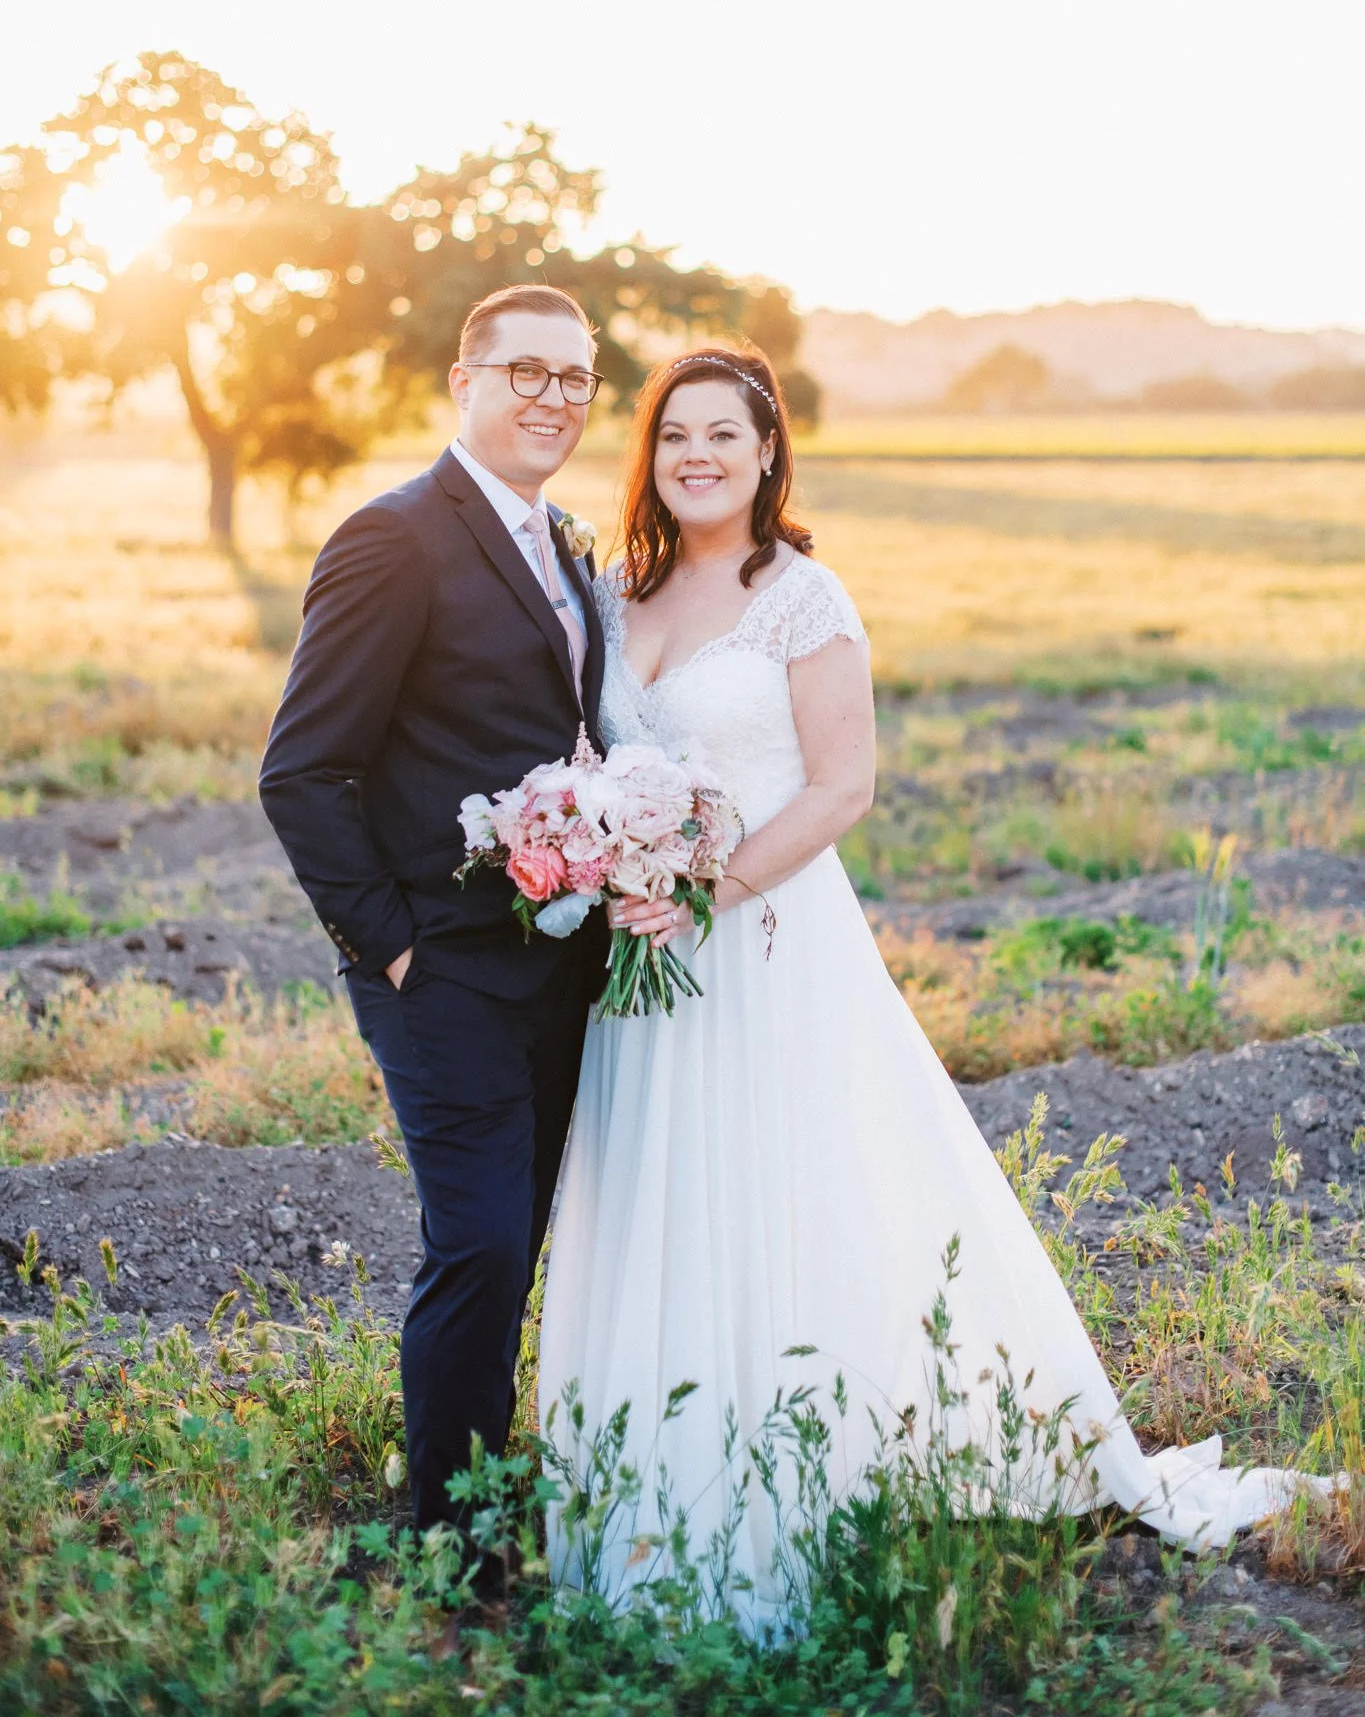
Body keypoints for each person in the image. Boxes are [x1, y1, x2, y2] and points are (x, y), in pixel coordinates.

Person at [537, 342, 1340, 1631]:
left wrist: (705, 892)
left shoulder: (803, 597)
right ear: (652, 453)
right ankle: (661, 1493)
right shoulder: (618, 598)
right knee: (663, 1193)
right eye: (676, 434)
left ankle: (815, 1473)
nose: (697, 455)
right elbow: (593, 758)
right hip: (645, 965)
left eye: (724, 437)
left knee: (792, 1190)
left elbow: (843, 788)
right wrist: (600, 849)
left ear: (766, 456)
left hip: (766, 942)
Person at [259, 283, 610, 1582]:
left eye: (575, 380)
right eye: (526, 371)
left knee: (524, 1237)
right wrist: (389, 948)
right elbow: (302, 770)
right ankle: (453, 1546)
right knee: (477, 1245)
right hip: (441, 967)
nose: (552, 399)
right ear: (462, 380)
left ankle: (506, 1482)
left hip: (565, 962)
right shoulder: (393, 538)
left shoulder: (564, 542)